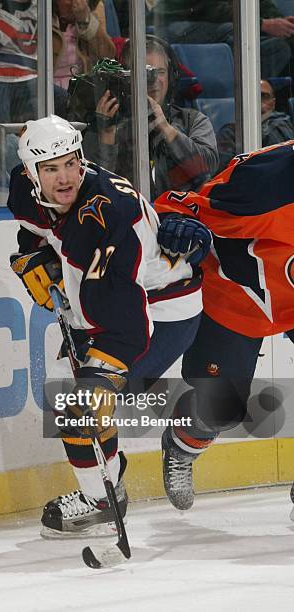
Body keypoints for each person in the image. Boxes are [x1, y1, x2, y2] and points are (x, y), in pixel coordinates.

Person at [7, 114, 212, 537]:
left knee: (80, 399)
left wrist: (104, 375)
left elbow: (125, 320)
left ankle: (101, 499)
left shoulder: (111, 216)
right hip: (116, 298)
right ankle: (106, 490)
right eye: (50, 169)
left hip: (161, 309)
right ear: (31, 173)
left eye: (70, 163)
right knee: (70, 394)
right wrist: (33, 256)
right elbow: (38, 228)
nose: (64, 177)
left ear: (81, 158)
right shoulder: (24, 190)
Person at [154, 139, 294, 511]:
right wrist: (175, 223)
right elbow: (179, 207)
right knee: (220, 411)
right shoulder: (268, 181)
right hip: (237, 297)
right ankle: (182, 445)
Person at [81, 36, 219, 198]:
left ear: (171, 77)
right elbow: (93, 189)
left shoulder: (193, 120)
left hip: (180, 215)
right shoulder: (108, 122)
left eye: (160, 72)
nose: (154, 81)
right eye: (145, 73)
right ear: (126, 78)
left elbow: (208, 168)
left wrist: (167, 129)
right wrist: (106, 136)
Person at [151, 0, 294, 78]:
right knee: (234, 32)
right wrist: (263, 24)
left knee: (279, 47)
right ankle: (239, 93)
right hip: (171, 24)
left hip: (211, 26)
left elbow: (260, 4)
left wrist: (282, 23)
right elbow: (211, 9)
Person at [216, 79, 294, 172]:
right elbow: (224, 173)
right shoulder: (230, 133)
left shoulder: (284, 124)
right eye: (253, 96)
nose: (258, 101)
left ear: (273, 104)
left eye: (264, 96)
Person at [52, 0, 116, 90]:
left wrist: (85, 21)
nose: (77, 3)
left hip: (81, 93)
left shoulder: (89, 18)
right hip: (49, 94)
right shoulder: (42, 20)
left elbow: (108, 56)